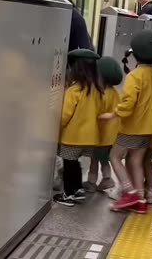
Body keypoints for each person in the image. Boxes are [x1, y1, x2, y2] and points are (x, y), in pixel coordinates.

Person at [99, 30, 152, 214]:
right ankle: (141, 201)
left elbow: (128, 104)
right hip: (149, 128)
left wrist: (112, 114)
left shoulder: (135, 76)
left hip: (132, 127)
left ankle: (130, 192)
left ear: (135, 55)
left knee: (114, 156)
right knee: (136, 160)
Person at [53, 49, 104, 206]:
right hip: (90, 137)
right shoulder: (96, 89)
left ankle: (69, 194)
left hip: (73, 136)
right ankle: (78, 189)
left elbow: (65, 115)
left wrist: (53, 128)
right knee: (75, 162)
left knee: (69, 163)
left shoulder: (74, 90)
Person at [83, 57, 122, 192]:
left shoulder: (101, 93)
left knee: (94, 159)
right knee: (104, 159)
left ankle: (92, 182)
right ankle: (106, 178)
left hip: (101, 134)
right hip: (111, 135)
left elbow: (97, 112)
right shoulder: (114, 93)